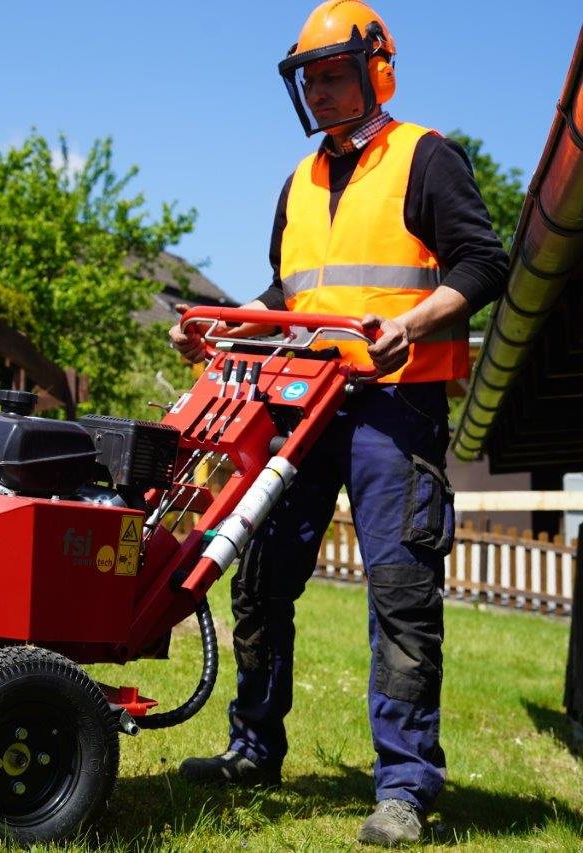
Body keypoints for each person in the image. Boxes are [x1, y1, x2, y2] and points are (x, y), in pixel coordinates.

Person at [169, 1, 508, 846]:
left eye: (334, 74)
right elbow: (294, 295)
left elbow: (484, 261)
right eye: (310, 78)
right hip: (303, 401)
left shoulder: (425, 158)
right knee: (259, 574)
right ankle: (253, 747)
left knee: (399, 587)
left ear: (375, 69)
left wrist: (416, 324)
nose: (320, 91)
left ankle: (404, 785)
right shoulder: (302, 180)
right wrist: (220, 321)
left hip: (395, 403)